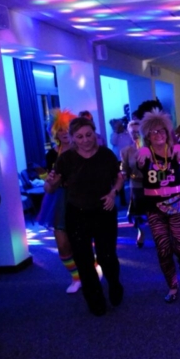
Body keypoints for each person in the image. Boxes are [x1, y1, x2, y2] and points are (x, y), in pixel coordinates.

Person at [44, 117, 124, 316]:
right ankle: (95, 300)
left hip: (104, 211)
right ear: (72, 138)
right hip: (77, 214)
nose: (85, 140)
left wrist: (113, 192)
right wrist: (51, 182)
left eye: (88, 135)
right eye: (79, 137)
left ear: (94, 133)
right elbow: (50, 188)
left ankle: (114, 284)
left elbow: (119, 178)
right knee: (84, 260)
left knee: (107, 257)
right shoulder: (65, 159)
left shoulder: (106, 155)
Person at [137, 111, 180, 303]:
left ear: (167, 132)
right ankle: (172, 285)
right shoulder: (144, 154)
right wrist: (142, 152)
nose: (158, 135)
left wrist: (179, 149)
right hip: (155, 209)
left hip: (177, 206)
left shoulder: (176, 151)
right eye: (153, 132)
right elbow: (136, 164)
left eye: (161, 131)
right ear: (147, 136)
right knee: (163, 248)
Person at [37, 110, 82, 293]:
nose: (64, 132)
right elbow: (48, 184)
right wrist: (50, 182)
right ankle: (76, 277)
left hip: (81, 198)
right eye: (60, 129)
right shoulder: (51, 155)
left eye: (67, 128)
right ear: (54, 131)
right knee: (62, 244)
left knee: (81, 242)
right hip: (59, 200)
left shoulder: (82, 151)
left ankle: (91, 267)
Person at [121, 120, 147, 248]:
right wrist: (122, 174)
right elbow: (125, 169)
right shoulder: (126, 151)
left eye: (138, 132)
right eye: (133, 132)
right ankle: (141, 232)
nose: (135, 134)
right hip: (136, 184)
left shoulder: (150, 148)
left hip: (151, 184)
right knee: (138, 213)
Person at [109, 118, 133, 207]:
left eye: (119, 125)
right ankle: (123, 200)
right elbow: (113, 142)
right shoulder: (114, 135)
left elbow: (132, 143)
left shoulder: (128, 134)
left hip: (129, 159)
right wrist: (116, 131)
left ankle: (133, 198)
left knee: (132, 178)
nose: (119, 127)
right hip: (119, 160)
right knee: (120, 179)